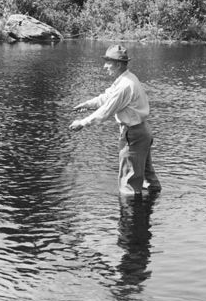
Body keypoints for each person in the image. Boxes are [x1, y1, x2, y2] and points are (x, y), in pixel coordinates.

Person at [69, 44, 162, 195]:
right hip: (142, 132)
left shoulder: (125, 85)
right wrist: (88, 104)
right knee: (148, 180)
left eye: (108, 62)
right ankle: (148, 209)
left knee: (128, 185)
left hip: (133, 135)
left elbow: (106, 111)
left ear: (118, 64)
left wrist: (82, 123)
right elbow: (107, 98)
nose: (105, 66)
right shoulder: (127, 79)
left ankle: (130, 216)